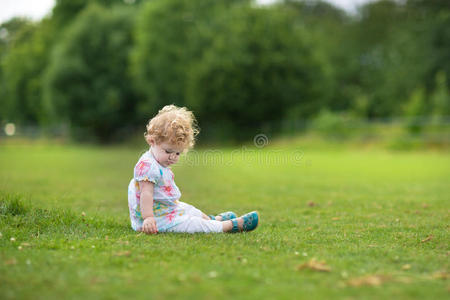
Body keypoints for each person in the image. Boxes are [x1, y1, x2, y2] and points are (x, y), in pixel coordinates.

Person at [127, 104, 259, 234]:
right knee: (191, 224)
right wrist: (148, 218)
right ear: (152, 141)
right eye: (168, 151)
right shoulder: (148, 166)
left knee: (191, 210)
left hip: (165, 210)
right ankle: (229, 226)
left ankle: (214, 220)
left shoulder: (159, 160)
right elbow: (146, 194)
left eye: (178, 153)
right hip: (156, 219)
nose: (173, 157)